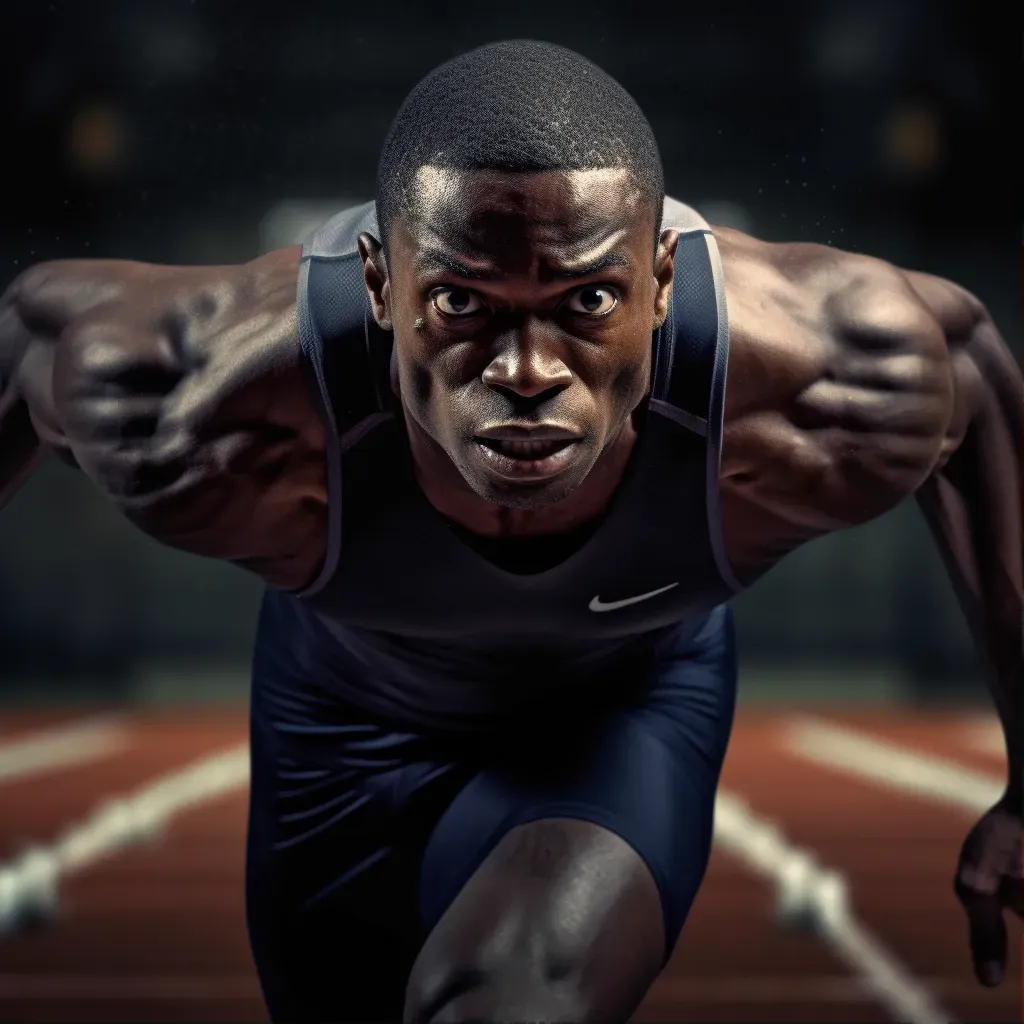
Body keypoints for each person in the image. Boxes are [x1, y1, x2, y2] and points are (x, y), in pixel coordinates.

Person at [1, 38, 1020, 1024]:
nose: (527, 372)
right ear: (378, 285)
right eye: (460, 302)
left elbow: (970, 377)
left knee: (511, 1000)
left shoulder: (815, 378)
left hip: (621, 709)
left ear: (660, 281)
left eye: (585, 300)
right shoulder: (202, 401)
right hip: (335, 728)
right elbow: (27, 336)